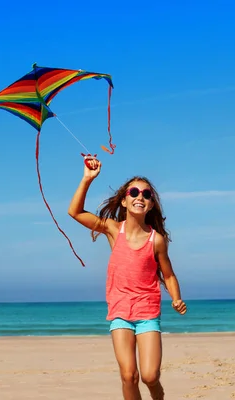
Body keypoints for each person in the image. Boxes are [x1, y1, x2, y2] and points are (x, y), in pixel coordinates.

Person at [68, 156, 187, 400]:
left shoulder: (156, 240)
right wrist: (87, 179)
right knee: (128, 376)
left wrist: (176, 298)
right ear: (124, 200)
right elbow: (75, 212)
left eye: (146, 194)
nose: (140, 197)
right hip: (120, 310)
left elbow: (169, 274)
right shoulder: (113, 229)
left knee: (150, 376)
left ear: (151, 204)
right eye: (134, 192)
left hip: (147, 312)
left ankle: (158, 395)